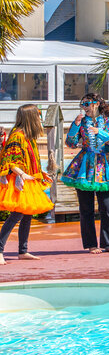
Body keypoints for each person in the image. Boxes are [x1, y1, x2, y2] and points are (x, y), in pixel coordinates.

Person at [61, 93, 109, 254]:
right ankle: (91, 244)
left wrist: (99, 132)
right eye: (82, 104)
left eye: (87, 104)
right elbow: (71, 144)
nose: (84, 107)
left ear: (96, 103)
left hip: (105, 167)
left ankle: (108, 244)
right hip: (84, 166)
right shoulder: (81, 122)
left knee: (107, 207)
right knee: (86, 208)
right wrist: (75, 126)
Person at [0, 104, 53, 263]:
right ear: (30, 118)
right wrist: (22, 174)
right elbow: (9, 159)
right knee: (17, 215)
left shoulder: (28, 136)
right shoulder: (17, 136)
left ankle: (23, 250)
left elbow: (30, 160)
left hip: (29, 179)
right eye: (38, 115)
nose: (40, 119)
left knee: (27, 214)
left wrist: (40, 174)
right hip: (20, 181)